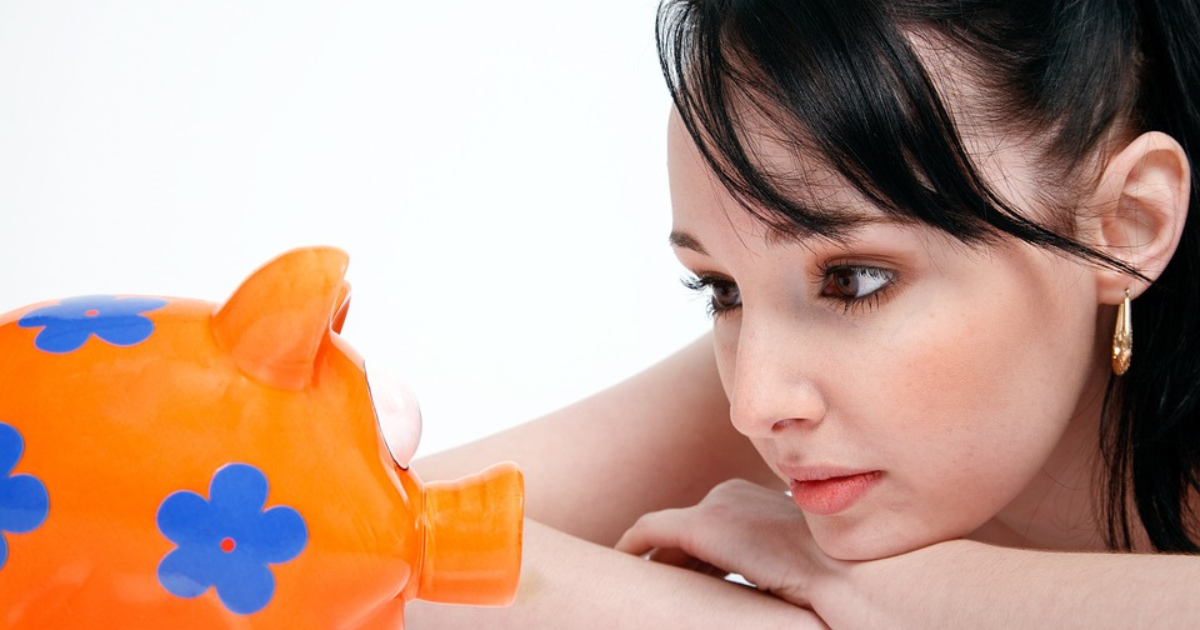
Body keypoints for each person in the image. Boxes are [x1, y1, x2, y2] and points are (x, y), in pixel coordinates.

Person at [408, 0, 1200, 627]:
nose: (754, 405)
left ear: (1126, 225)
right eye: (722, 290)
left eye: (853, 280)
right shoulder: (790, 377)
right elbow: (311, 536)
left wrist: (901, 593)